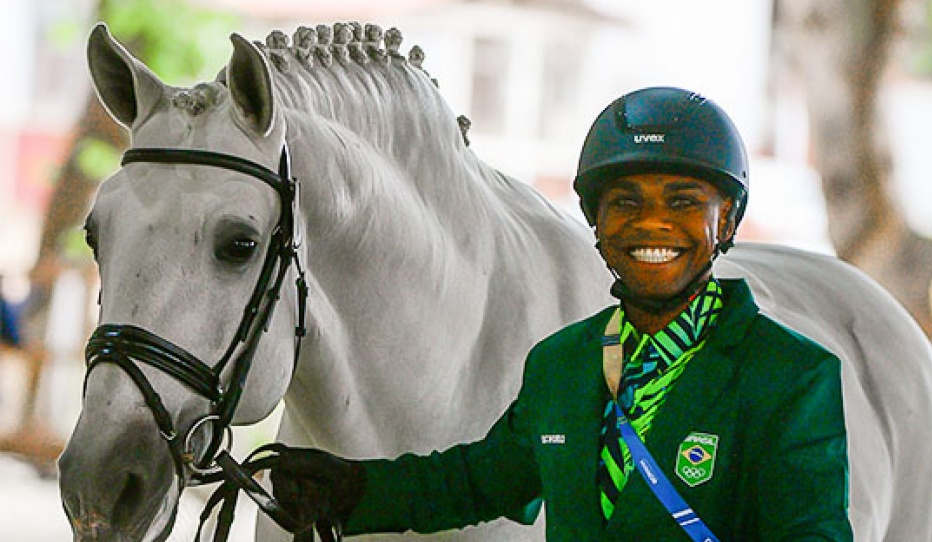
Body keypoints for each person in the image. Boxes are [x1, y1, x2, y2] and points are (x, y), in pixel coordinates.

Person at [267, 87, 852, 541]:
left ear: (725, 223)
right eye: (625, 202)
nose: (651, 223)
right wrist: (351, 489)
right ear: (596, 225)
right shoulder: (562, 363)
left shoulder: (791, 376)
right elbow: (479, 480)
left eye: (683, 202)